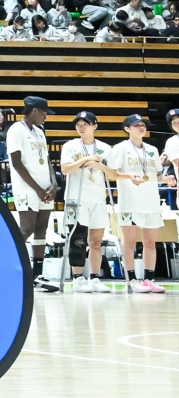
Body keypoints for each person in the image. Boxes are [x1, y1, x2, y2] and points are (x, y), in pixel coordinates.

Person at [107, 113, 166, 295]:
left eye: (143, 125)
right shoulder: (120, 148)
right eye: (137, 125)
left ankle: (149, 279)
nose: (141, 128)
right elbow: (111, 174)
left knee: (150, 242)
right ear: (127, 129)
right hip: (130, 202)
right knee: (130, 242)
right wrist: (128, 176)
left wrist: (166, 179)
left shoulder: (152, 150)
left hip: (151, 202)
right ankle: (131, 279)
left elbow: (155, 176)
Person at [6, 96, 58, 291]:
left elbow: (47, 160)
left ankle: (37, 274)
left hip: (45, 187)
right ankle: (10, 267)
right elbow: (16, 163)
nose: (46, 116)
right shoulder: (16, 130)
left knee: (41, 228)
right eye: (44, 112)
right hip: (27, 188)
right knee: (26, 228)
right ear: (34, 110)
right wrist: (37, 189)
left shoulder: (40, 131)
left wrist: (54, 183)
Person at [60, 111, 114, 293]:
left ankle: (95, 278)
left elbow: (113, 174)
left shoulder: (105, 148)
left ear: (94, 126)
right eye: (78, 124)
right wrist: (86, 159)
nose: (81, 127)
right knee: (78, 238)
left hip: (98, 197)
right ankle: (77, 278)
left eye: (85, 124)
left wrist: (100, 165)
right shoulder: (70, 146)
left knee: (96, 240)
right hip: (76, 197)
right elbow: (65, 169)